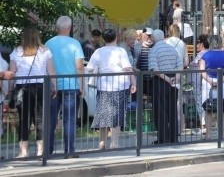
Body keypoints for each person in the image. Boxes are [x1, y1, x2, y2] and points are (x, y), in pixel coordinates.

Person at [9, 27, 55, 158]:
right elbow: (51, 71)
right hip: (40, 86)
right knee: (40, 119)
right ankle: (41, 151)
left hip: (22, 87)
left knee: (24, 120)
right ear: (37, 37)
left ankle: (24, 152)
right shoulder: (45, 51)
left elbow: (13, 73)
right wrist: (55, 86)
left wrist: (11, 89)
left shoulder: (16, 51)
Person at [88, 28, 136, 150]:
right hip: (120, 86)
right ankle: (114, 142)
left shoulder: (98, 51)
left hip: (103, 86)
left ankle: (102, 142)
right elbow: (127, 68)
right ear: (116, 38)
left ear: (103, 39)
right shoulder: (120, 51)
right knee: (117, 114)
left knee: (102, 114)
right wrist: (133, 82)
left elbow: (90, 67)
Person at [45, 16, 85, 158]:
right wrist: (82, 85)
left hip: (52, 85)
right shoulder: (75, 44)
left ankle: (47, 150)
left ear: (57, 27)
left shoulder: (48, 43)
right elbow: (79, 67)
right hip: (71, 84)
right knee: (70, 119)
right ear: (70, 27)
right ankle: (69, 150)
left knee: (51, 118)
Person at [149, 29, 183, 145]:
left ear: (153, 38)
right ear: (163, 37)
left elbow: (155, 70)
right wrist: (176, 78)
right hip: (173, 81)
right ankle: (174, 137)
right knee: (173, 110)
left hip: (160, 81)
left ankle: (163, 138)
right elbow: (180, 65)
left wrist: (167, 79)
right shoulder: (172, 49)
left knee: (160, 110)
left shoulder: (153, 50)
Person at [198, 34, 224, 139]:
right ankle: (220, 134)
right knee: (222, 109)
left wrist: (210, 81)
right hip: (223, 83)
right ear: (220, 43)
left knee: (208, 109)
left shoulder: (205, 56)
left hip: (208, 83)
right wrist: (221, 80)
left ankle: (208, 135)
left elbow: (202, 71)